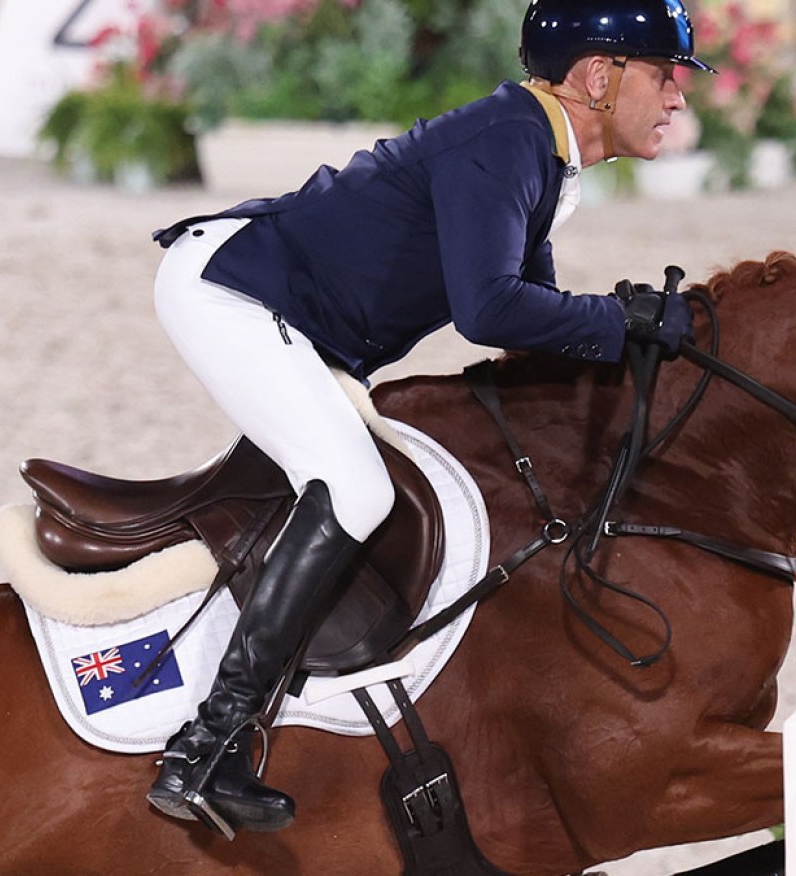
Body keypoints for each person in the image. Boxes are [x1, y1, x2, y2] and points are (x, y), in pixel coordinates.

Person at [145, 0, 711, 836]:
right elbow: (489, 311)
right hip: (232, 293)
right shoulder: (510, 139)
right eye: (665, 75)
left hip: (284, 313)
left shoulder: (543, 153)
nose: (677, 98)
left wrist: (624, 341)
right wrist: (615, 322)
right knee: (355, 489)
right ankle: (206, 747)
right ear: (599, 75)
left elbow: (535, 314)